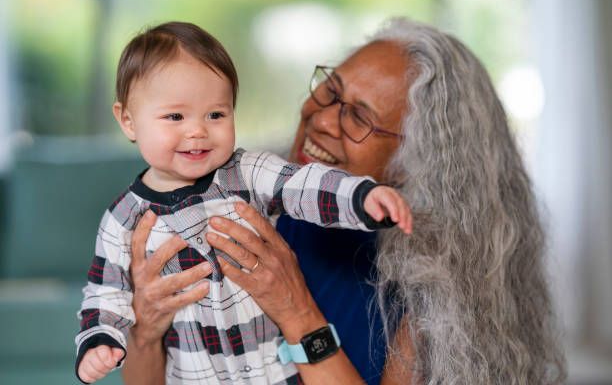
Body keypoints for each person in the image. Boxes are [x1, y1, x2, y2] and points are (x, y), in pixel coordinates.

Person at [122, 18, 567, 384]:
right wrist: (145, 331)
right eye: (330, 91)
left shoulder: (436, 293)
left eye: (358, 117)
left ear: (413, 165)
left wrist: (296, 311)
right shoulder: (243, 205)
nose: (323, 121)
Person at [74, 21, 412, 384]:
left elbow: (305, 184)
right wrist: (100, 339)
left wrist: (362, 197)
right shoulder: (123, 218)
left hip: (270, 371)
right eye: (175, 116)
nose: (197, 131)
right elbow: (105, 292)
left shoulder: (248, 172)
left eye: (216, 114)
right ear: (128, 121)